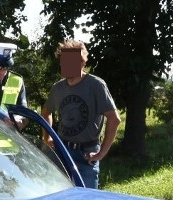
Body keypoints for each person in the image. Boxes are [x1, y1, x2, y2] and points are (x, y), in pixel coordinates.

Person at [41, 39, 121, 189]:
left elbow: (114, 119)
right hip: (62, 152)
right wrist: (47, 138)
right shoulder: (58, 88)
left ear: (82, 62)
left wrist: (101, 154)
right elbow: (46, 113)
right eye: (65, 61)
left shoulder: (96, 85)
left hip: (87, 155)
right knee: (59, 199)